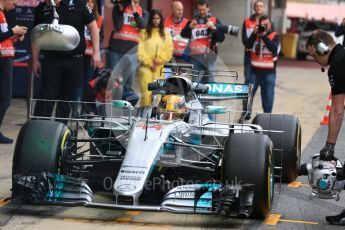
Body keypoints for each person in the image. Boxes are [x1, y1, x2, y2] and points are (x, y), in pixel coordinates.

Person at [32, 0, 101, 120]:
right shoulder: (41, 8)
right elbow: (36, 35)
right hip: (51, 60)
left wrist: (96, 52)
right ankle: (40, 128)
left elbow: (93, 27)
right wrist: (35, 60)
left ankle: (61, 130)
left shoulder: (79, 4)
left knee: (67, 98)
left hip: (74, 60)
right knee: (47, 96)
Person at [305, 29, 345, 226]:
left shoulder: (337, 65)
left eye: (313, 55)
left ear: (322, 48)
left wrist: (330, 145)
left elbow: (337, 110)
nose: (314, 60)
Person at [107, 0, 149, 100]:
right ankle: (111, 105)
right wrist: (121, 11)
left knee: (128, 82)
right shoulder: (118, 8)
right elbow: (118, 26)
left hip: (132, 51)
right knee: (113, 80)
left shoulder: (144, 12)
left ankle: (125, 108)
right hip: (116, 49)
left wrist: (134, 11)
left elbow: (142, 25)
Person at [0, 0, 27, 143]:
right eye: (14, 3)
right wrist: (13, 31)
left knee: (4, 99)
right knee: (5, 99)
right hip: (3, 60)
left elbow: (3, 39)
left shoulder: (2, 14)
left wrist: (13, 37)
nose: (15, 6)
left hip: (5, 59)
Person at [180, 0, 225, 84]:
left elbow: (221, 38)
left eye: (203, 9)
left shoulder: (214, 20)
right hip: (195, 57)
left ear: (208, 8)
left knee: (210, 81)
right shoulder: (193, 21)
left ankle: (210, 97)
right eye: (199, 10)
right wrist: (189, 27)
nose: (201, 12)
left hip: (210, 56)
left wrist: (214, 28)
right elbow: (183, 34)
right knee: (196, 83)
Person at [137, 9, 173, 113]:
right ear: (150, 20)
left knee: (158, 93)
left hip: (159, 68)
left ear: (161, 20)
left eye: (158, 18)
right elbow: (141, 50)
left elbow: (169, 50)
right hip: (146, 68)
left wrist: (158, 60)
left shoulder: (165, 34)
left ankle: (155, 116)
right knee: (146, 93)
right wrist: (149, 62)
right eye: (153, 18)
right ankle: (144, 116)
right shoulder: (144, 32)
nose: (155, 21)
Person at [245, 15, 280, 114]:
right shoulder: (255, 34)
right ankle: (246, 114)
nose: (264, 27)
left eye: (266, 24)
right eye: (262, 25)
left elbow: (274, 48)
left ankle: (267, 116)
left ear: (270, 24)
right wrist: (253, 34)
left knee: (268, 97)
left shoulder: (275, 35)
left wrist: (264, 36)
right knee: (248, 95)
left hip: (269, 73)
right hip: (254, 71)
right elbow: (247, 45)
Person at [240, 0, 265, 120]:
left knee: (263, 84)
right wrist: (254, 33)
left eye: (261, 6)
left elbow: (274, 37)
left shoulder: (268, 22)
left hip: (263, 57)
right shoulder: (247, 21)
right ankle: (246, 111)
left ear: (263, 8)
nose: (259, 8)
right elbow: (245, 41)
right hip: (249, 56)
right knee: (248, 84)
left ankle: (266, 114)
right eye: (257, 6)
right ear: (253, 8)